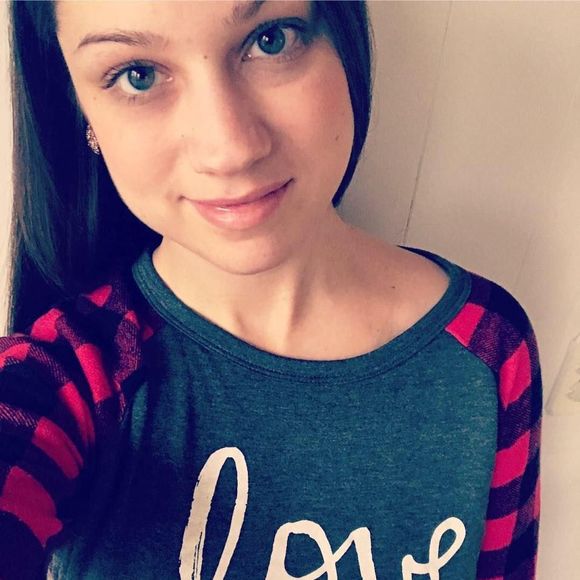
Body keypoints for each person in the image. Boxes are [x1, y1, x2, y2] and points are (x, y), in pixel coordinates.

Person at [0, 1, 542, 578]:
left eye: (270, 40)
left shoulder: (484, 350)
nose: (229, 150)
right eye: (138, 75)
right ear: (81, 110)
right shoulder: (67, 377)